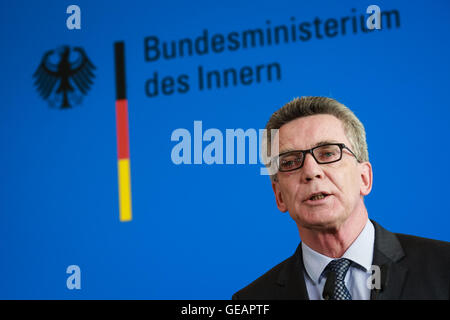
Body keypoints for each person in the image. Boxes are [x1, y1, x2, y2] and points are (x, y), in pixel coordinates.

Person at [232, 96, 450, 300]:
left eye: (327, 153)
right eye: (290, 162)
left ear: (364, 178)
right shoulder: (251, 300)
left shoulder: (443, 266)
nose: (310, 171)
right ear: (279, 196)